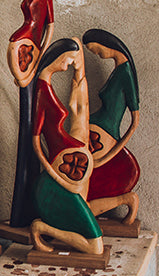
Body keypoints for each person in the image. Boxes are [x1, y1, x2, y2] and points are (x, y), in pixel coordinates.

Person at [29, 39, 104, 255]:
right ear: (57, 57)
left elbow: (79, 107)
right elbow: (36, 142)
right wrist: (54, 174)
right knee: (96, 247)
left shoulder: (47, 88)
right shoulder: (42, 92)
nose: (67, 64)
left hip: (67, 176)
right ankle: (40, 228)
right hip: (58, 183)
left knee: (95, 241)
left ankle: (44, 228)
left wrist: (80, 69)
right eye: (67, 59)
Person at [7, 0, 54, 228]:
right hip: (26, 64)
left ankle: (28, 208)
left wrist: (38, 58)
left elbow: (49, 24)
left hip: (32, 63)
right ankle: (22, 209)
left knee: (29, 128)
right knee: (24, 128)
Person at [83, 29, 140, 222]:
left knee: (87, 188)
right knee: (83, 184)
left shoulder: (126, 74)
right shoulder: (118, 71)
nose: (99, 56)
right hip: (96, 137)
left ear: (107, 44)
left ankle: (126, 201)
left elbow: (134, 122)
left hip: (104, 138)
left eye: (98, 51)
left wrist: (112, 153)